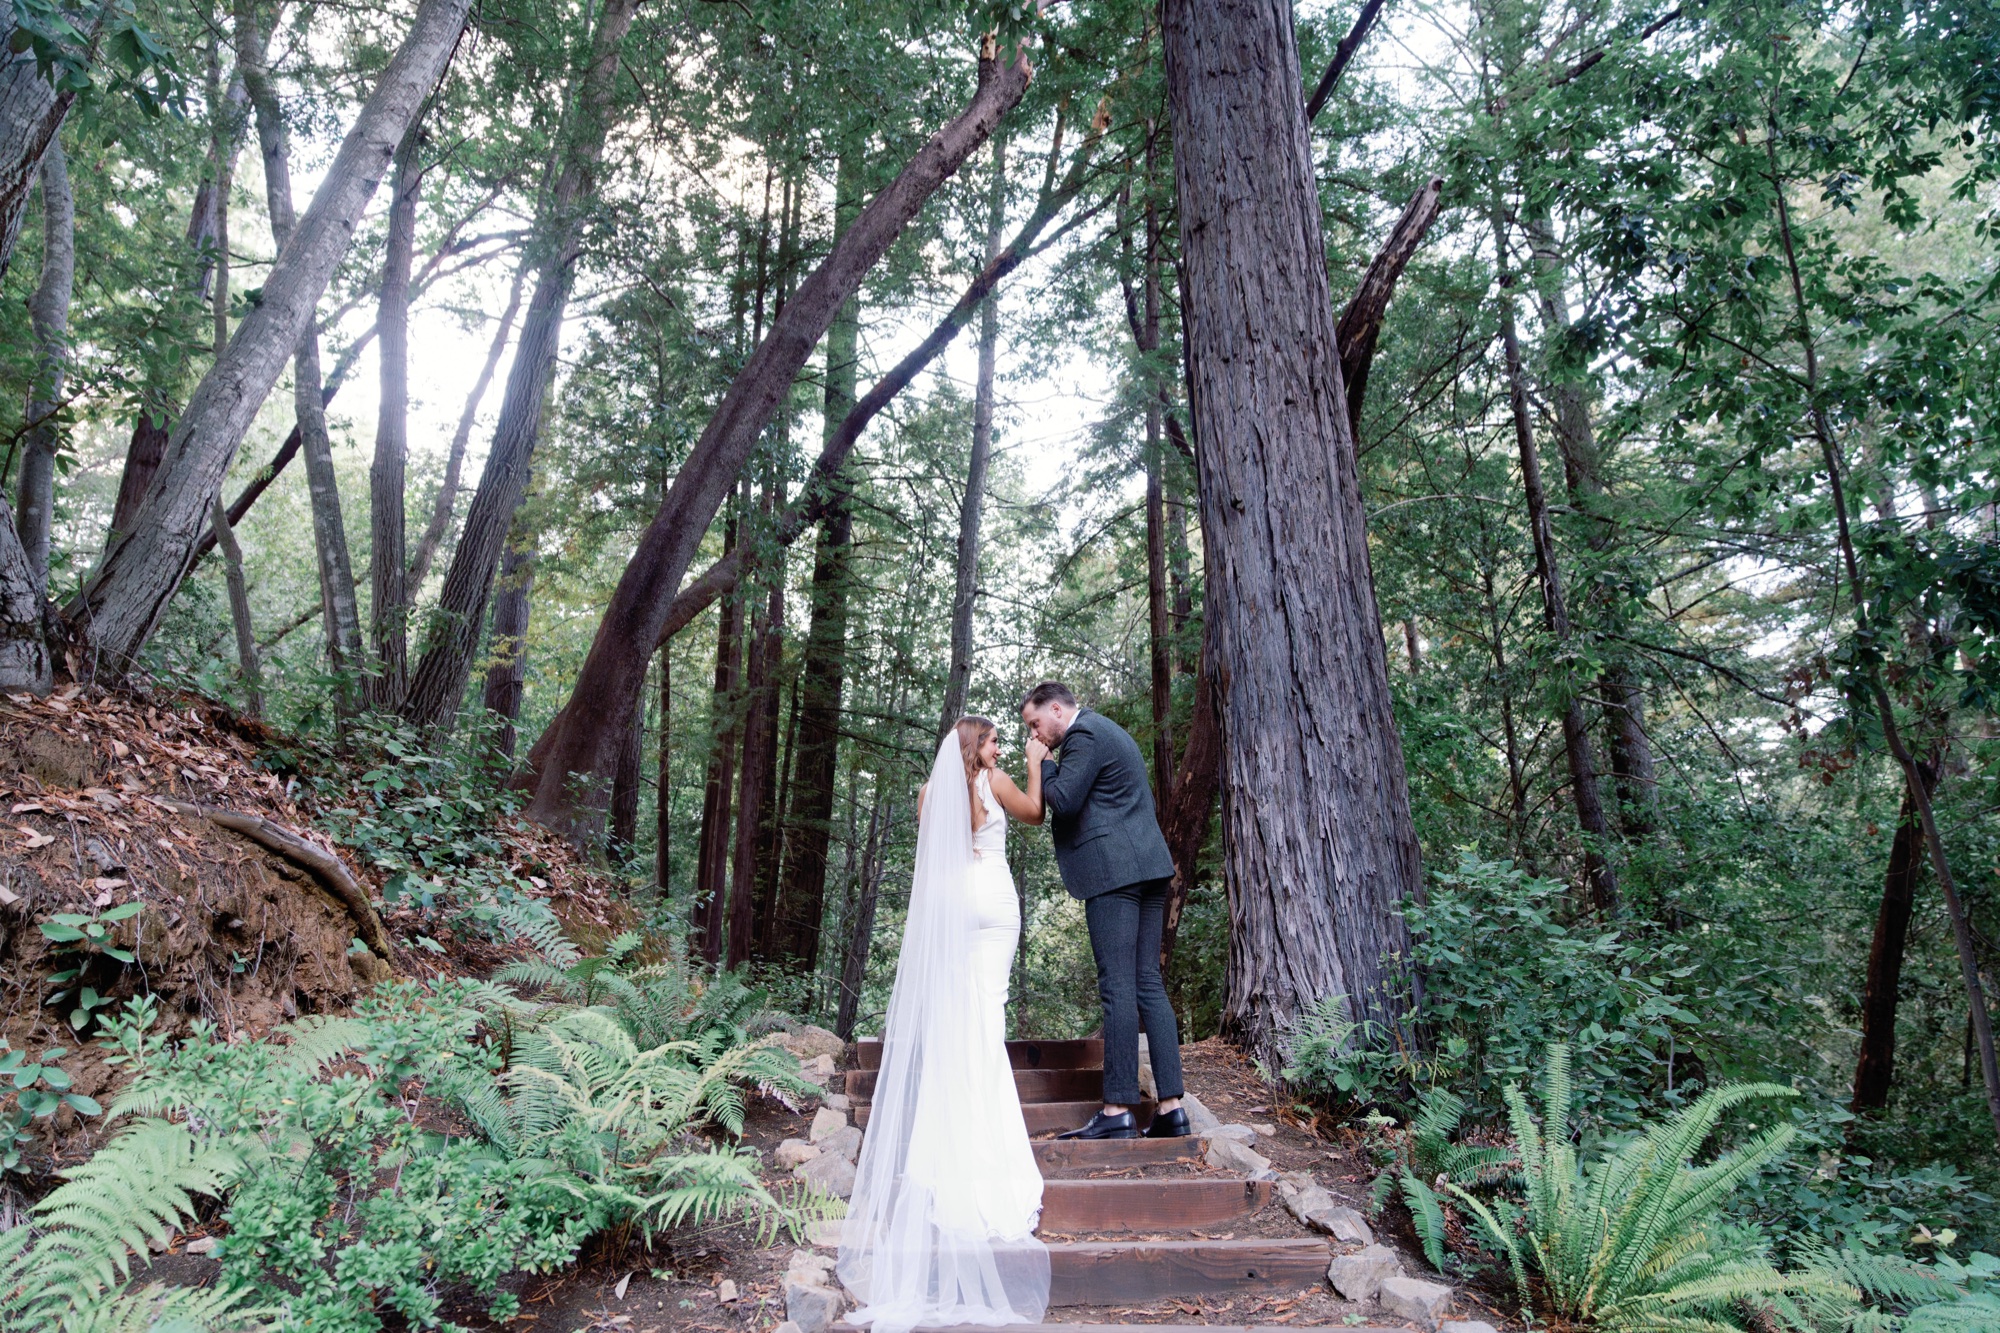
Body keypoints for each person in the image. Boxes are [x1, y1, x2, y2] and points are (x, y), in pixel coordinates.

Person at [837, 719, 1051, 1333]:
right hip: (996, 902)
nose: (1000, 748)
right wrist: (1036, 763)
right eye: (993, 741)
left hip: (957, 905)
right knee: (989, 1014)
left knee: (964, 1022)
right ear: (975, 748)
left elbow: (934, 861)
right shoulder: (996, 781)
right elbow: (1035, 814)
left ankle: (951, 1142)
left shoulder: (934, 793)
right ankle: (990, 1149)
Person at [1019, 681, 1190, 1141]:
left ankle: (1117, 1111)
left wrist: (1043, 764)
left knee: (1118, 987)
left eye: (1036, 723)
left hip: (1116, 873)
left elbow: (1065, 800)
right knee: (1146, 983)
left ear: (1057, 709)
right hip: (1148, 867)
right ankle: (1172, 1109)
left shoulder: (1084, 735)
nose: (1035, 734)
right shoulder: (1105, 730)